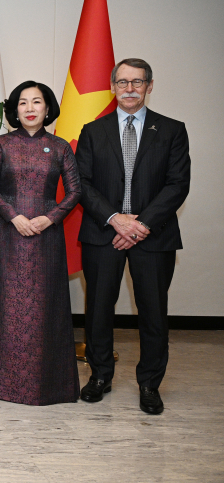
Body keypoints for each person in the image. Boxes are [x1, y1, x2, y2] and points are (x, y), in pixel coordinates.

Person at [75, 58, 190, 415]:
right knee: (98, 309)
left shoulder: (172, 130)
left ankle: (150, 384)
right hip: (103, 233)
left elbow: (177, 184)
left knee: (153, 312)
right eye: (123, 82)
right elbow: (82, 184)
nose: (129, 89)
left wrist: (140, 225)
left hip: (153, 236)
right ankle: (100, 376)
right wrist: (116, 220)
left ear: (149, 86)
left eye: (137, 82)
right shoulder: (93, 130)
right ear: (113, 86)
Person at [0, 81, 82, 405]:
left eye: (36, 102)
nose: (30, 108)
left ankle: (45, 385)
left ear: (48, 108)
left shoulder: (60, 146)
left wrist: (50, 218)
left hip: (46, 237)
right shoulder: (3, 143)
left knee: (44, 307)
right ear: (14, 110)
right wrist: (13, 216)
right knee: (3, 305)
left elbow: (75, 191)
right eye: (23, 102)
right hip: (8, 235)